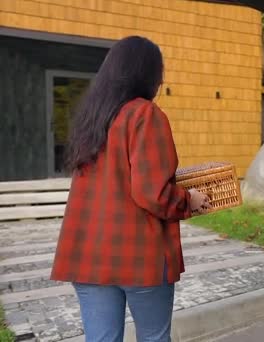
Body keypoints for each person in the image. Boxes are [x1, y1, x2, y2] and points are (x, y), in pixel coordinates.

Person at [50, 36, 210, 342]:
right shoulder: (144, 114)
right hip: (139, 256)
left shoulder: (92, 118)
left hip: (88, 256)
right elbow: (152, 192)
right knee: (153, 337)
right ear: (147, 73)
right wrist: (189, 199)